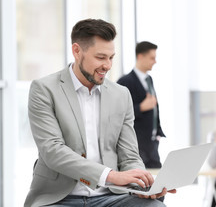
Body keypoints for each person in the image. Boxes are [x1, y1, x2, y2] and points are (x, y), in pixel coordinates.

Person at [24, 19, 175, 207]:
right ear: (77, 51)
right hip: (59, 198)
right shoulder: (45, 89)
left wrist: (141, 183)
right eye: (101, 57)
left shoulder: (121, 95)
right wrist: (111, 176)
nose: (108, 65)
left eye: (111, 58)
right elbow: (52, 151)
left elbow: (129, 155)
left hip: (112, 197)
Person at [117, 41, 165, 169]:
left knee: (156, 180)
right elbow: (118, 113)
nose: (155, 61)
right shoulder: (125, 82)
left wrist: (158, 133)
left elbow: (154, 109)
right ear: (140, 57)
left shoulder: (149, 80)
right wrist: (141, 107)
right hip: (136, 144)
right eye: (152, 58)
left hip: (152, 143)